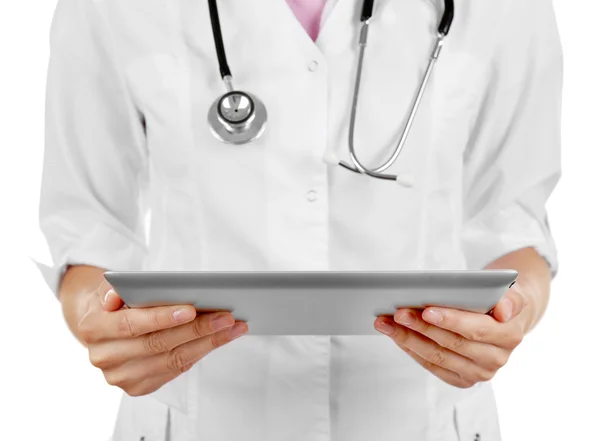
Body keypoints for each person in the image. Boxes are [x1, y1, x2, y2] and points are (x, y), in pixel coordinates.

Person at [37, 0, 562, 440]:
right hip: (199, 417)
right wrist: (99, 319)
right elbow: (88, 229)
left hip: (418, 417)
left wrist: (514, 311)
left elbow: (513, 226)